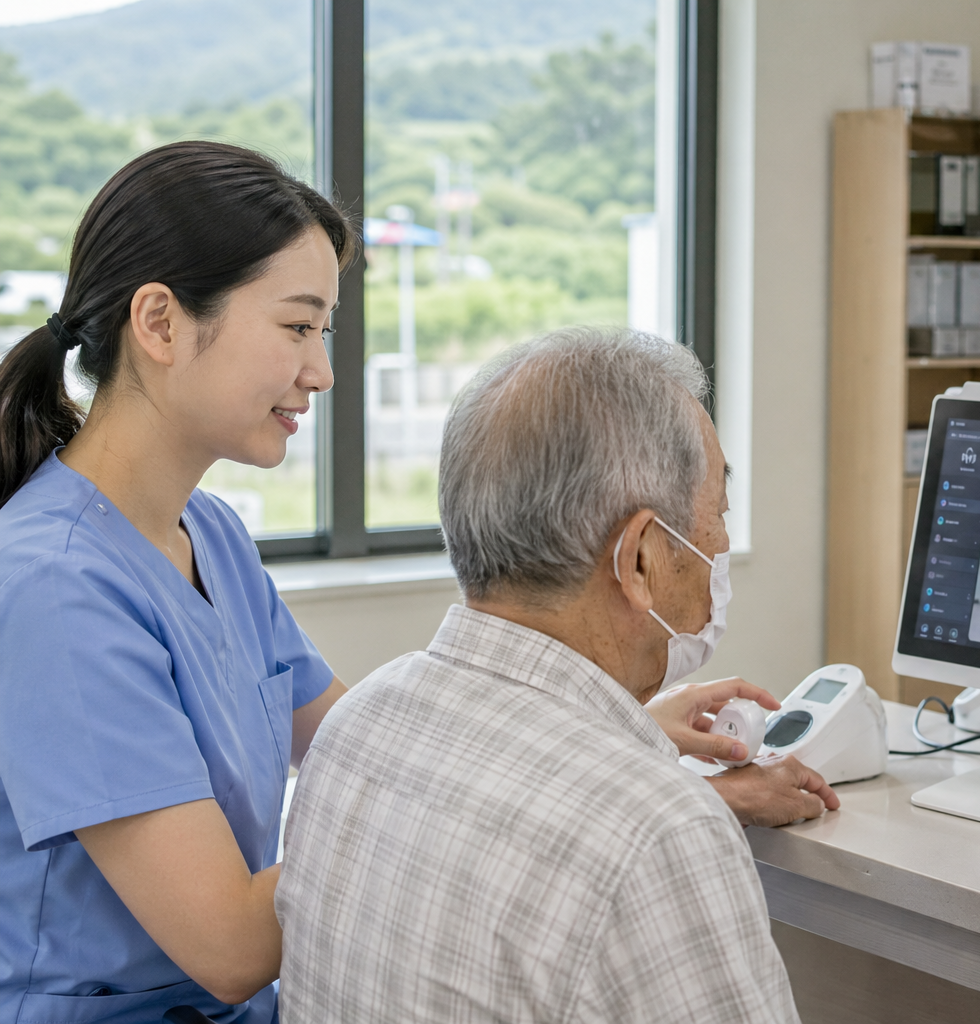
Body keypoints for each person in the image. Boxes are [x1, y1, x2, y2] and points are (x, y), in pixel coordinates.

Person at [275, 329, 833, 1022]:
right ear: (640, 560)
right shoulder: (660, 828)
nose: (719, 544)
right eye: (717, 514)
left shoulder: (361, 722)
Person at [0, 142, 358, 1022]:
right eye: (296, 326)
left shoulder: (214, 535)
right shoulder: (52, 585)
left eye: (326, 331)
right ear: (158, 323)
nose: (322, 370)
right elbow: (231, 946)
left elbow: (361, 742)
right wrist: (457, 830)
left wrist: (595, 740)